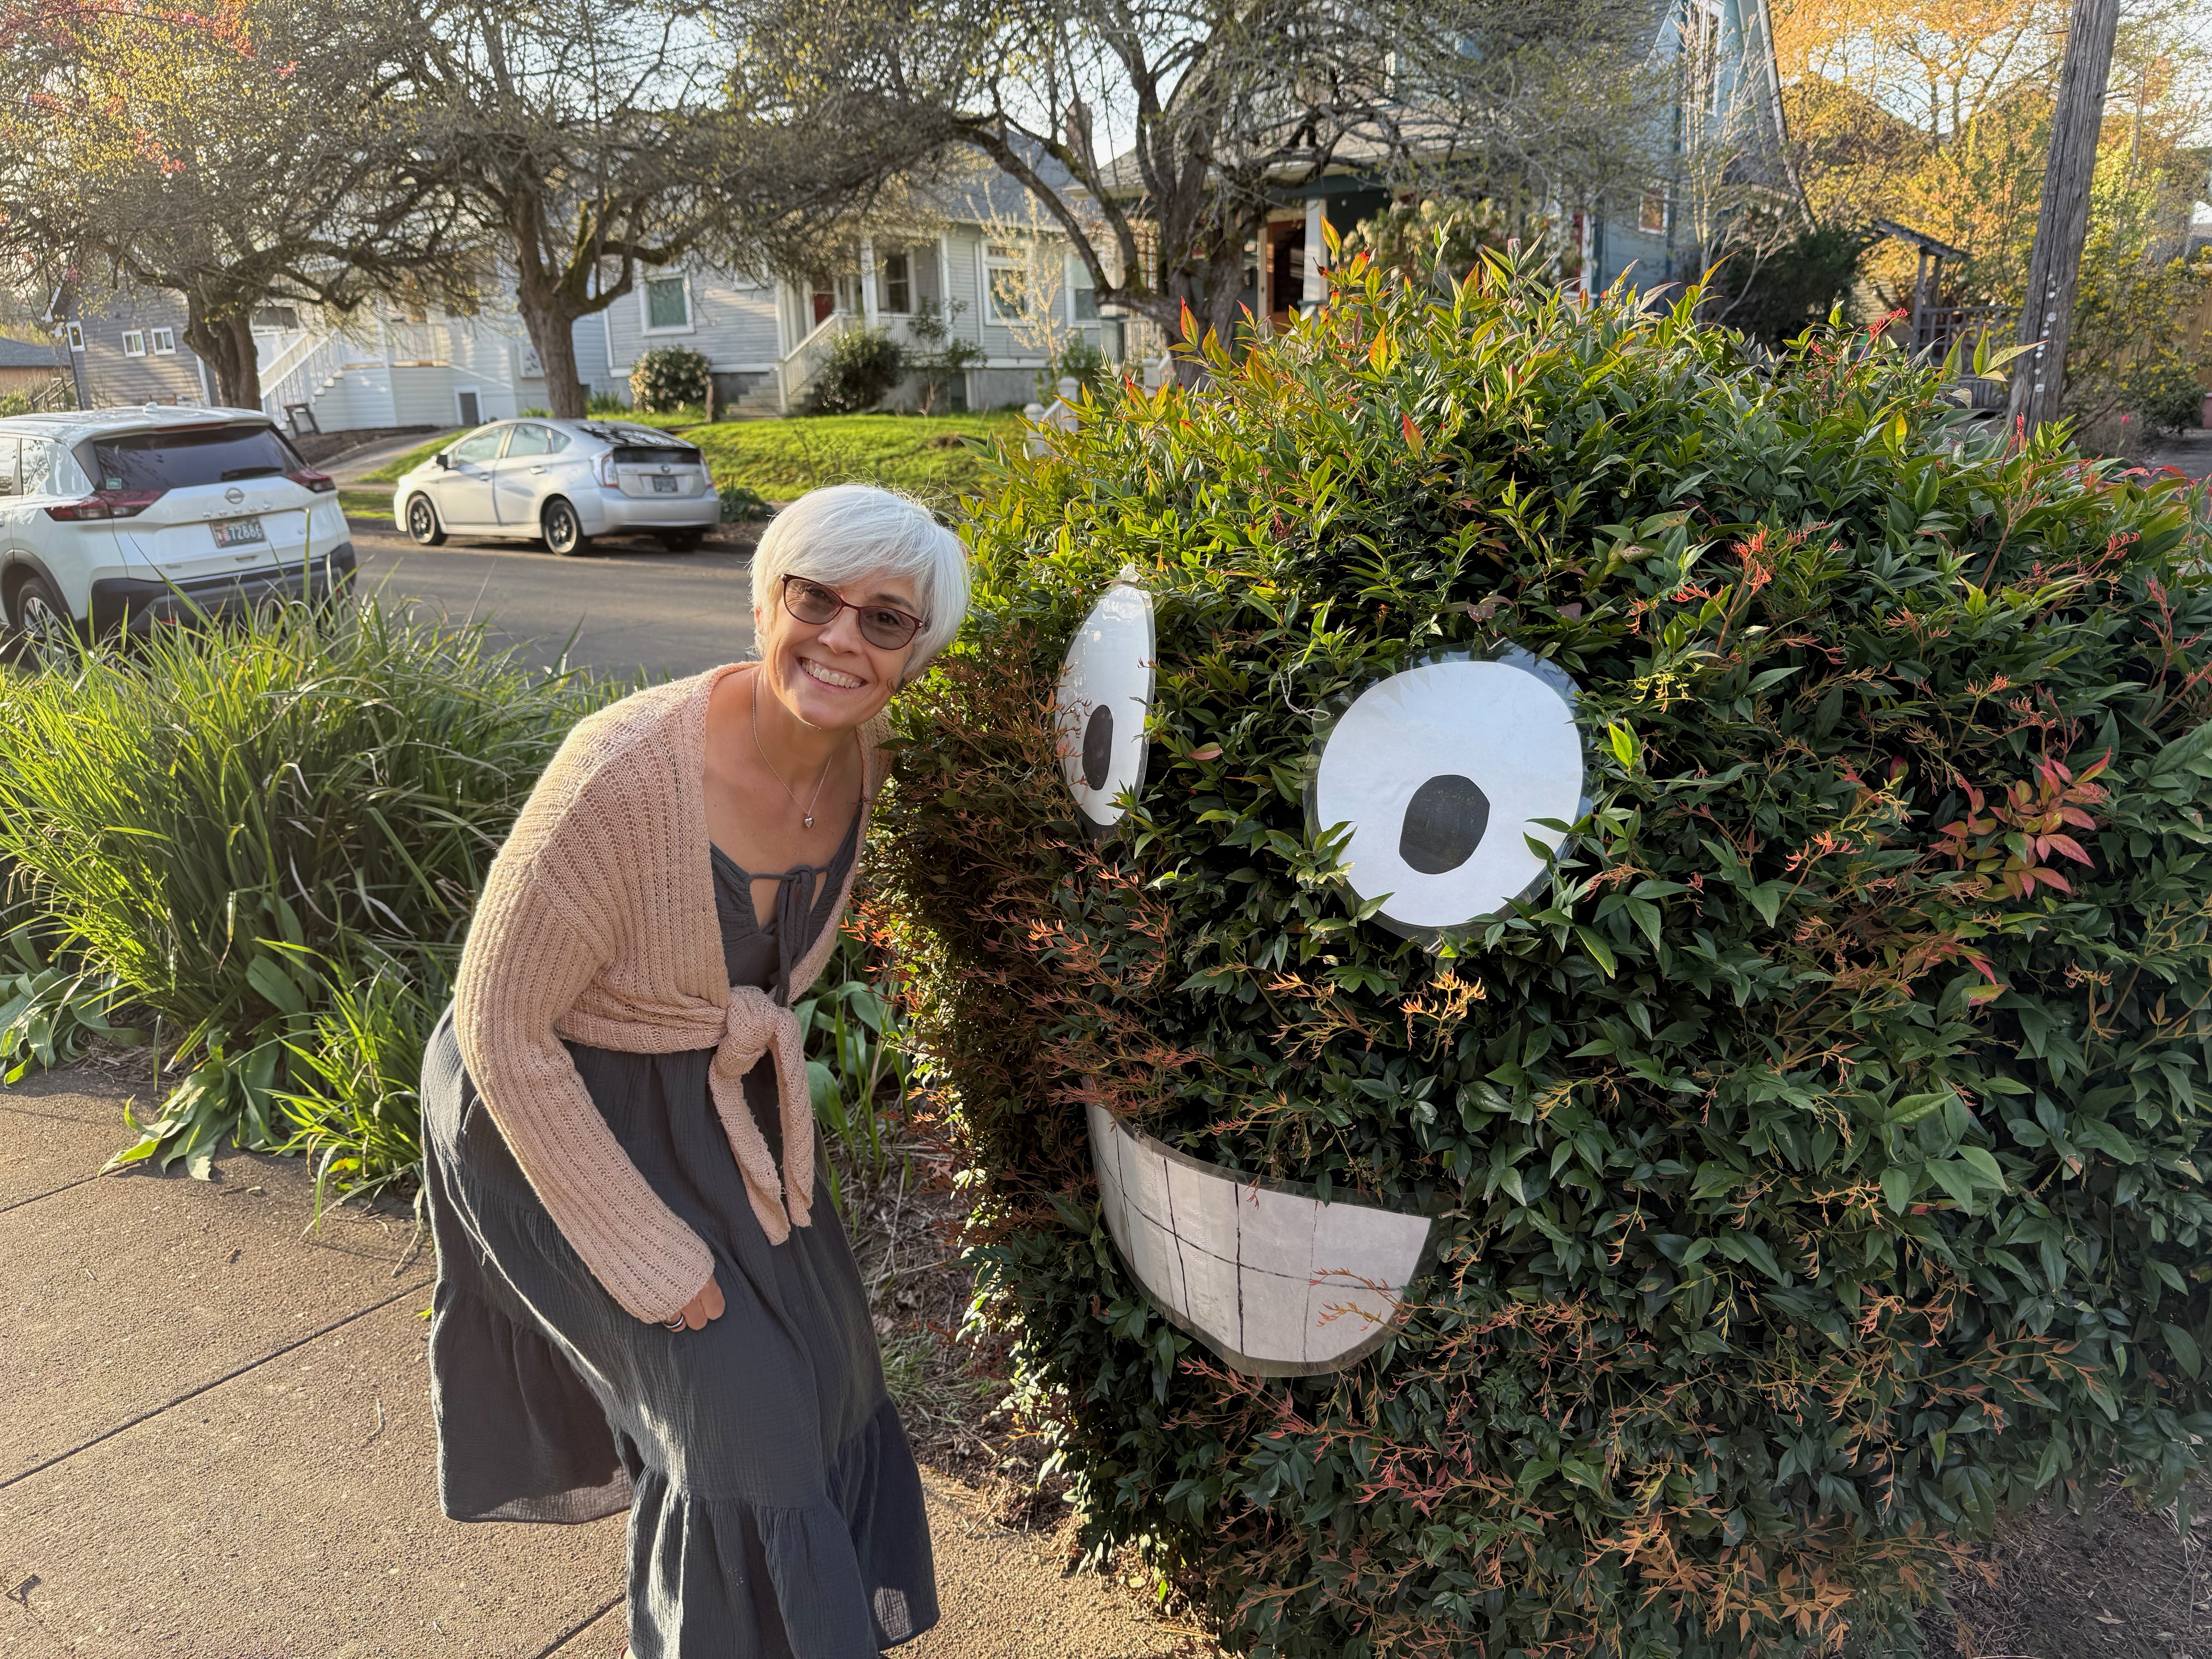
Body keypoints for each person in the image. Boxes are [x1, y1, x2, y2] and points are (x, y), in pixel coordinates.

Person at [419, 483, 969, 1658]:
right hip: (549, 1103)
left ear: (915, 653)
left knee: (831, 1377)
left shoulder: (868, 758)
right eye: (815, 599)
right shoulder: (623, 775)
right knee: (738, 1423)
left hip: (701, 1096)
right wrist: (648, 1256)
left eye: (885, 619)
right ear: (765, 600)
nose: (842, 638)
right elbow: (500, 1025)